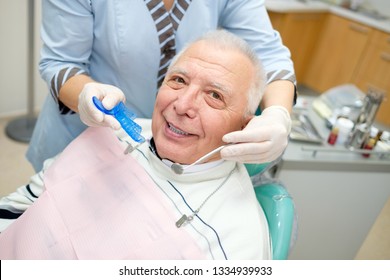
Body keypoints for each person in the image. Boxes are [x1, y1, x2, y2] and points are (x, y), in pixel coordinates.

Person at [0, 30, 272, 259]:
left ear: (245, 126)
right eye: (178, 80)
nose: (182, 105)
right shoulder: (113, 134)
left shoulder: (239, 239)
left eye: (214, 95)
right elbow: (24, 203)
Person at [27, 0, 295, 173]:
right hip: (82, 138)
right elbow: (60, 62)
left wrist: (278, 114)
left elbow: (269, 54)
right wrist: (86, 94)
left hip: (171, 156)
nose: (182, 105)